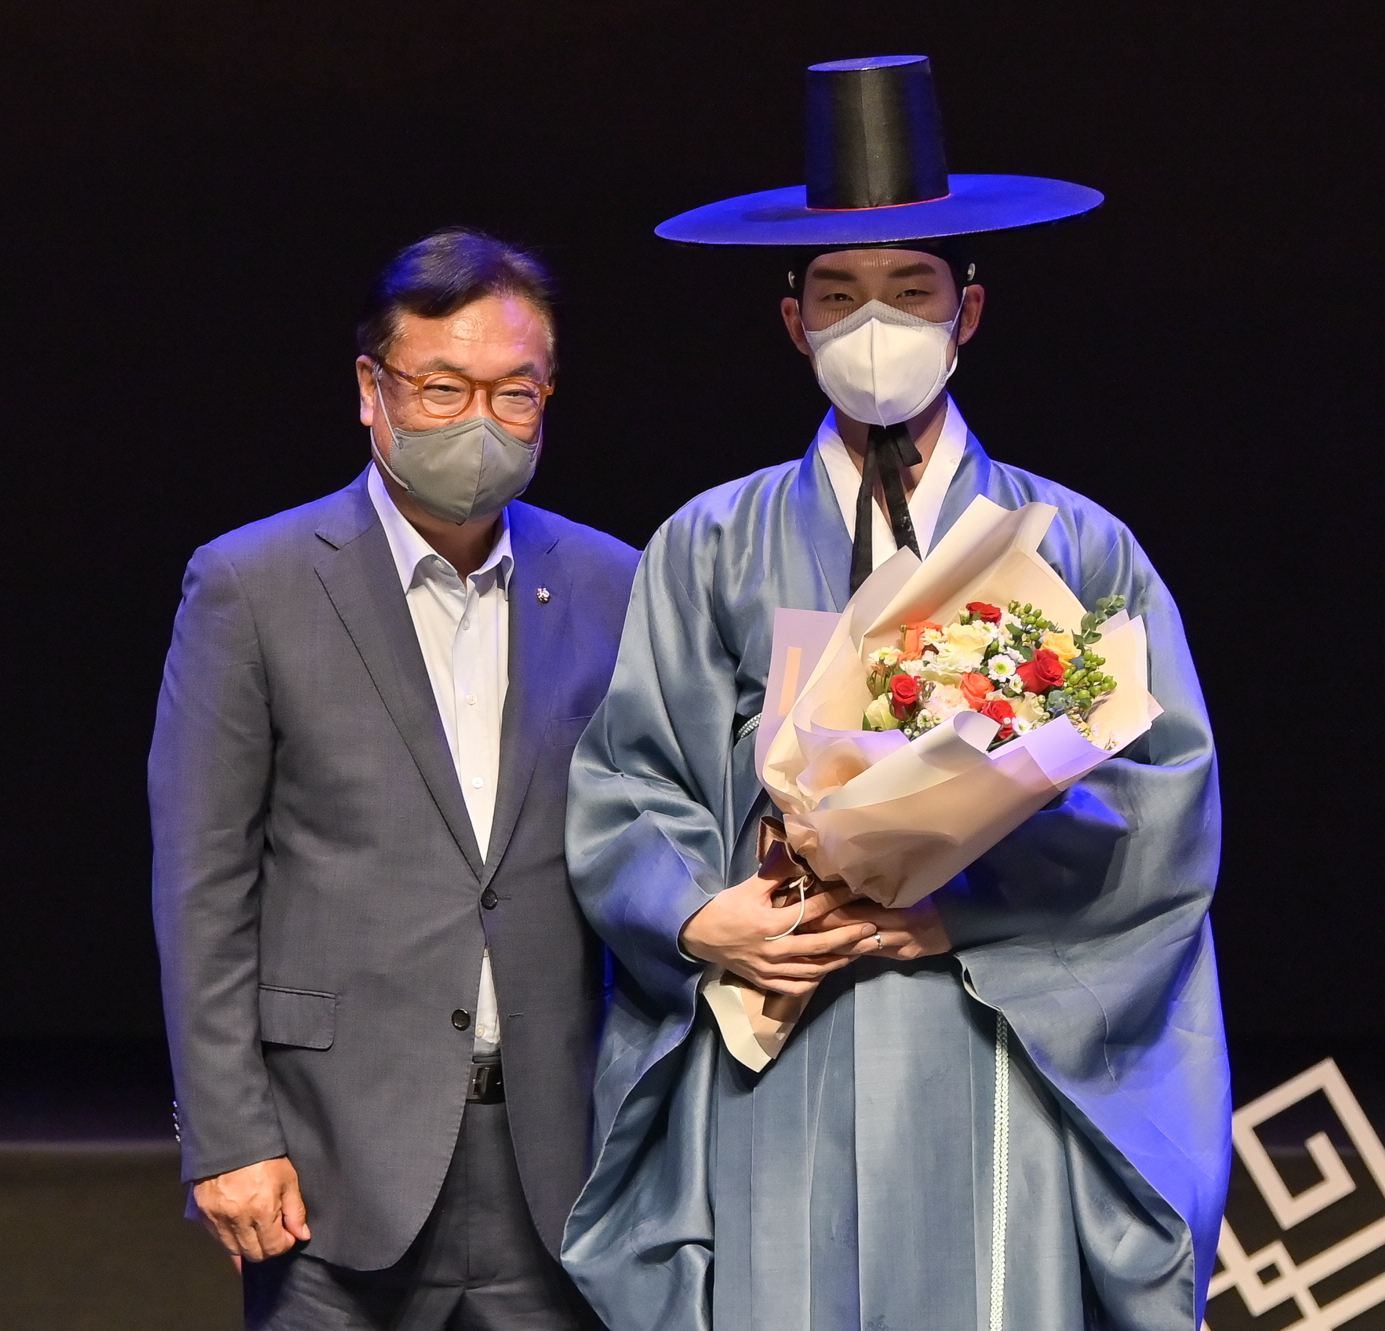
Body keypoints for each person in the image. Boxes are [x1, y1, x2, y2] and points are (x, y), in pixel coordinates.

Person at [562, 57, 1229, 1330]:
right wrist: (702, 917)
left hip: (986, 1030)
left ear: (965, 309)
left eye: (909, 289)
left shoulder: (1078, 548)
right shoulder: (709, 543)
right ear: (793, 320)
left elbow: (1162, 802)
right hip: (783, 1025)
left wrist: (968, 906)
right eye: (839, 292)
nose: (875, 320)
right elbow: (628, 776)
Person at [151, 228, 636, 1330]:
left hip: (560, 1152)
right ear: (371, 389)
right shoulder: (253, 583)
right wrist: (228, 1136)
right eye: (441, 388)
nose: (479, 422)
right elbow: (202, 883)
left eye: (514, 393)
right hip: (330, 1158)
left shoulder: (611, 581)